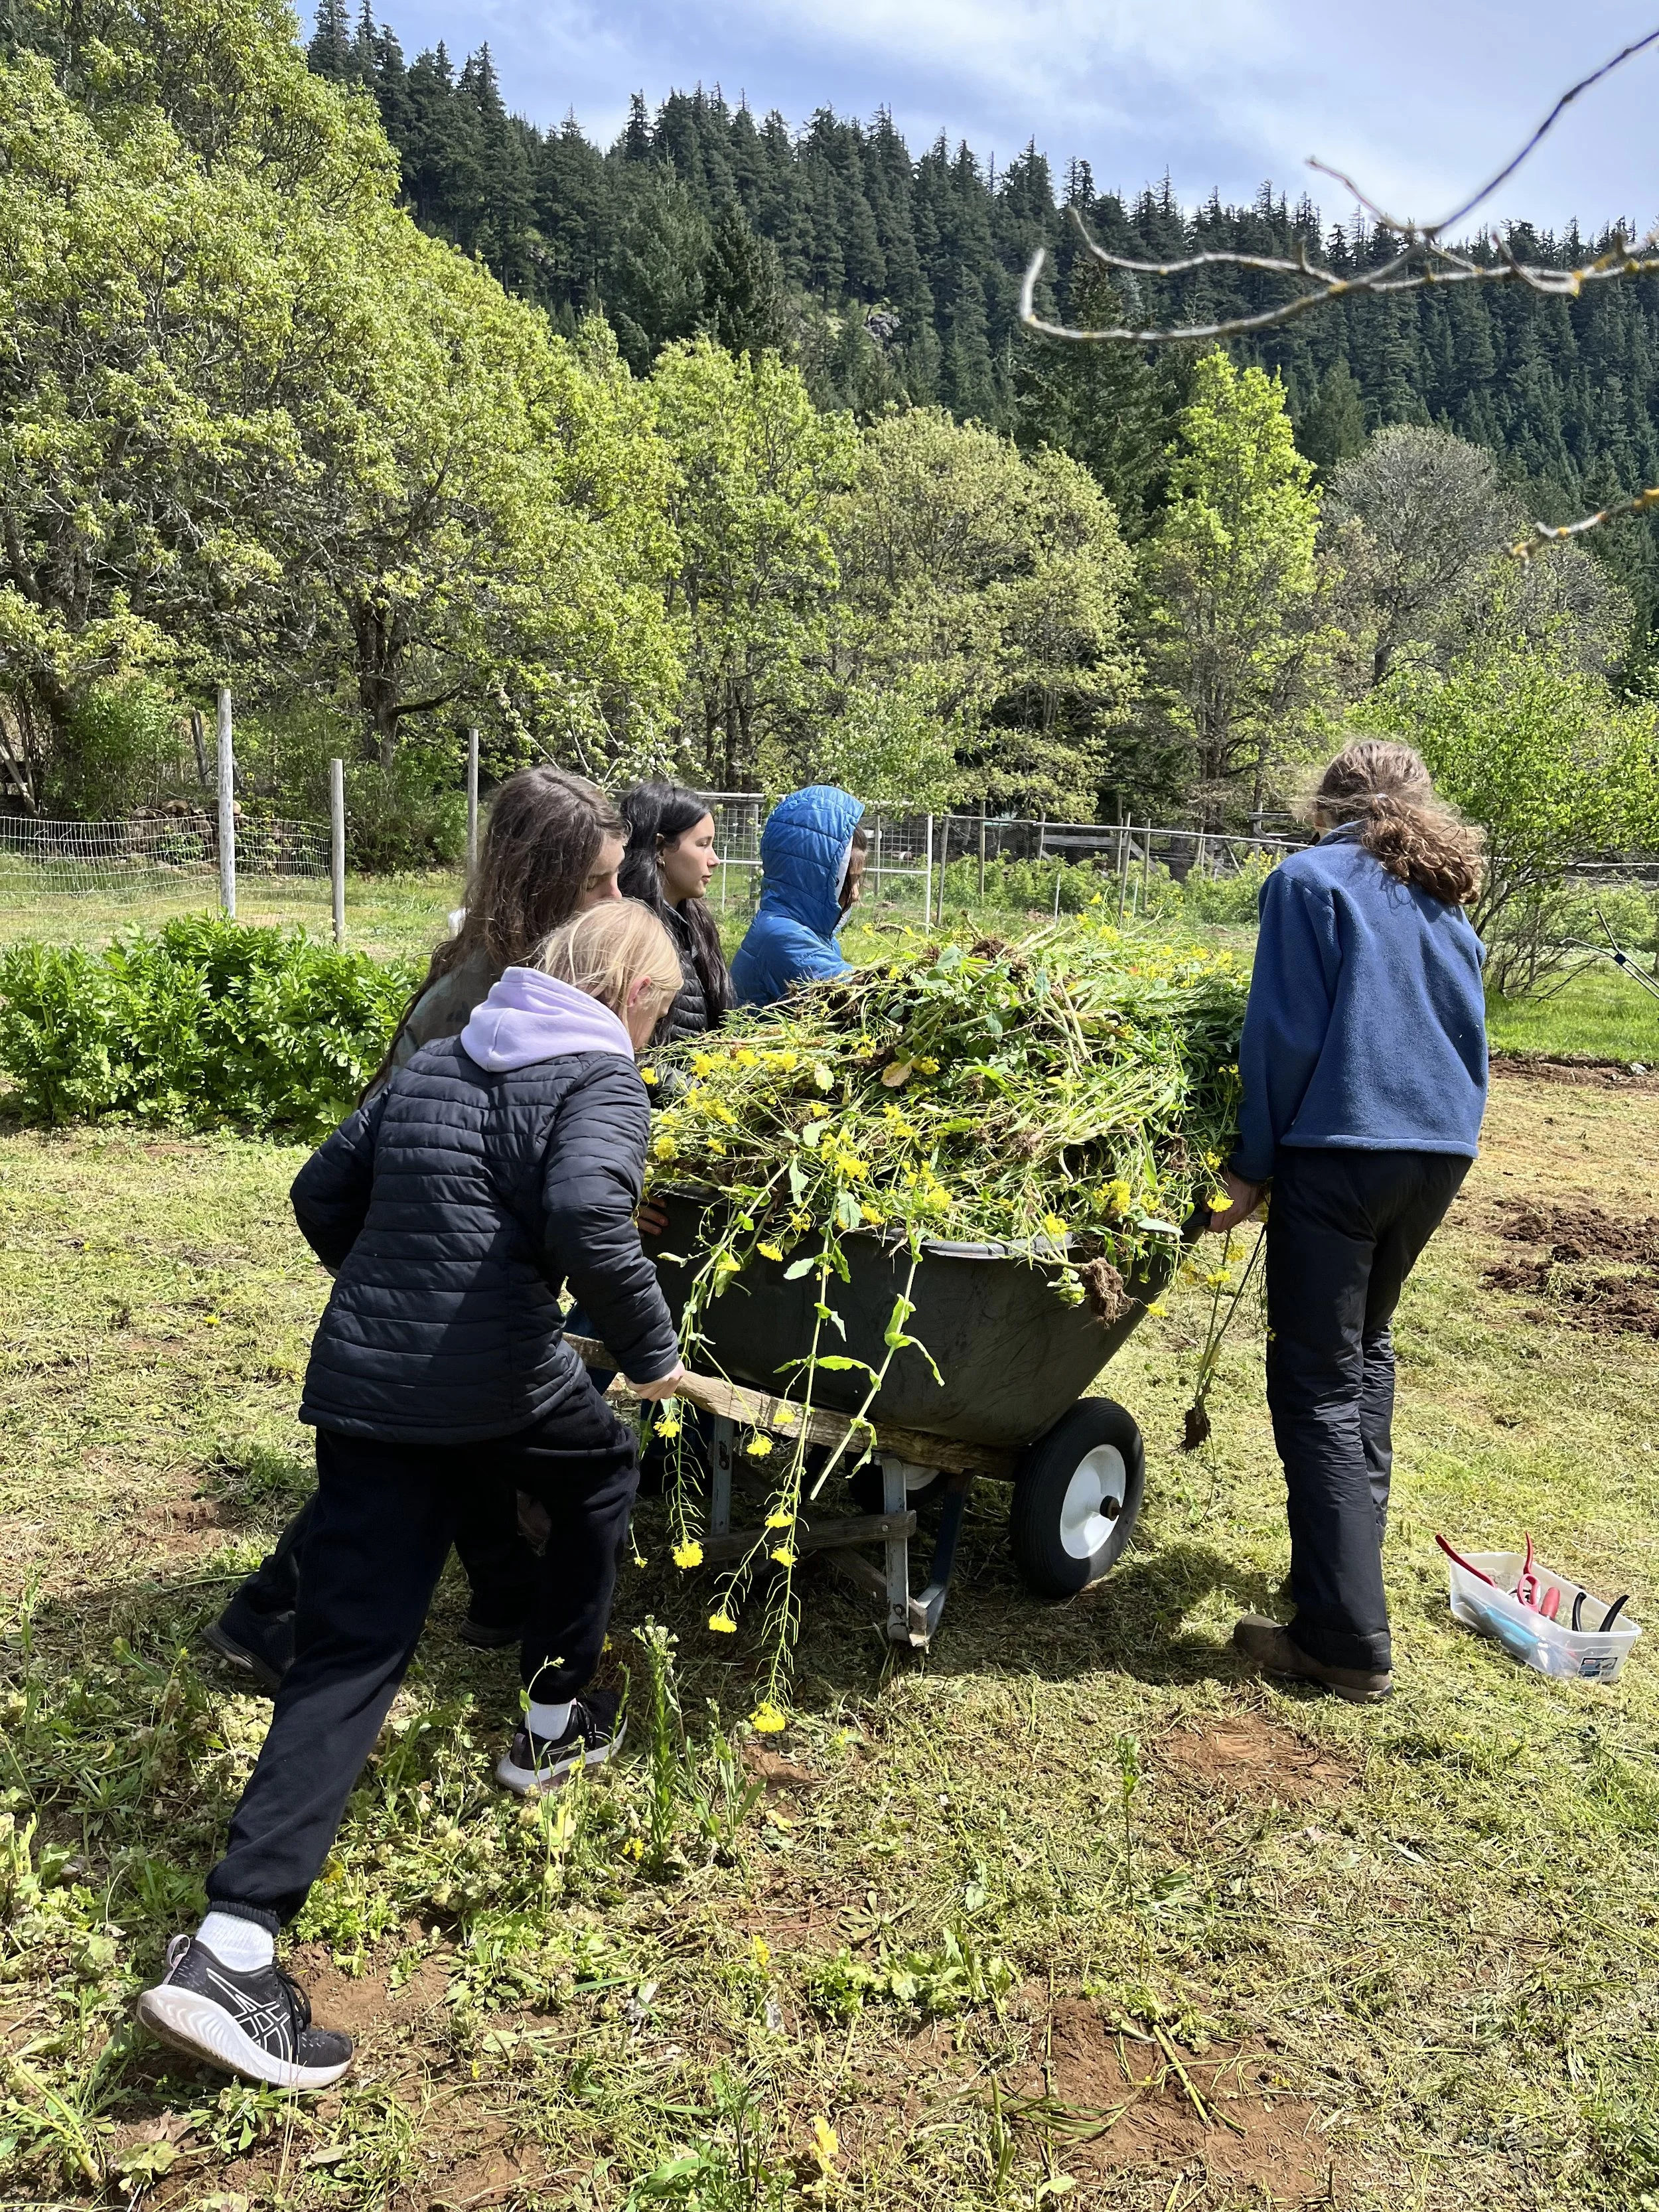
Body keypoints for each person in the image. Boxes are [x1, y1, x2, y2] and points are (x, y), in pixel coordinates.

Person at [137, 901, 686, 2090]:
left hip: (368, 1378)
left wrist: (400, 1290)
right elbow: (592, 1215)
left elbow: (318, 1192)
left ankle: (232, 1942)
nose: (660, 1025)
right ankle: (549, 1727)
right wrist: (650, 1351)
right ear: (633, 995)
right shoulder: (599, 1073)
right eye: (666, 1005)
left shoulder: (448, 1053)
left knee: (353, 1649)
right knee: (599, 1470)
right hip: (494, 1370)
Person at [204, 767, 626, 1690]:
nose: (616, 899)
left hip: (428, 1241)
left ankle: (502, 1594)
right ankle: (267, 1610)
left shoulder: (514, 965)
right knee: (406, 1453)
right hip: (417, 1245)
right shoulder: (493, 992)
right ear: (548, 878)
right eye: (598, 882)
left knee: (455, 1435)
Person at [1208, 739, 1486, 1704]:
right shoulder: (1446, 901)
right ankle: (1333, 1582)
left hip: (1344, 1149)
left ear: (1327, 805)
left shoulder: (1309, 881)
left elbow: (1280, 1038)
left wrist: (1249, 1169)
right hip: (1437, 1152)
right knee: (1365, 1355)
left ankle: (1345, 1642)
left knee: (1317, 1382)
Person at [729, 785, 869, 1007]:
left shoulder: (812, 936)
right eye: (847, 882)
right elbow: (862, 998)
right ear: (816, 878)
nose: (855, 894)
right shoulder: (783, 939)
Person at [617, 780, 731, 1042]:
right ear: (660, 849)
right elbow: (640, 1054)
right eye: (703, 844)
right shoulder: (631, 936)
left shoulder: (695, 923)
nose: (715, 859)